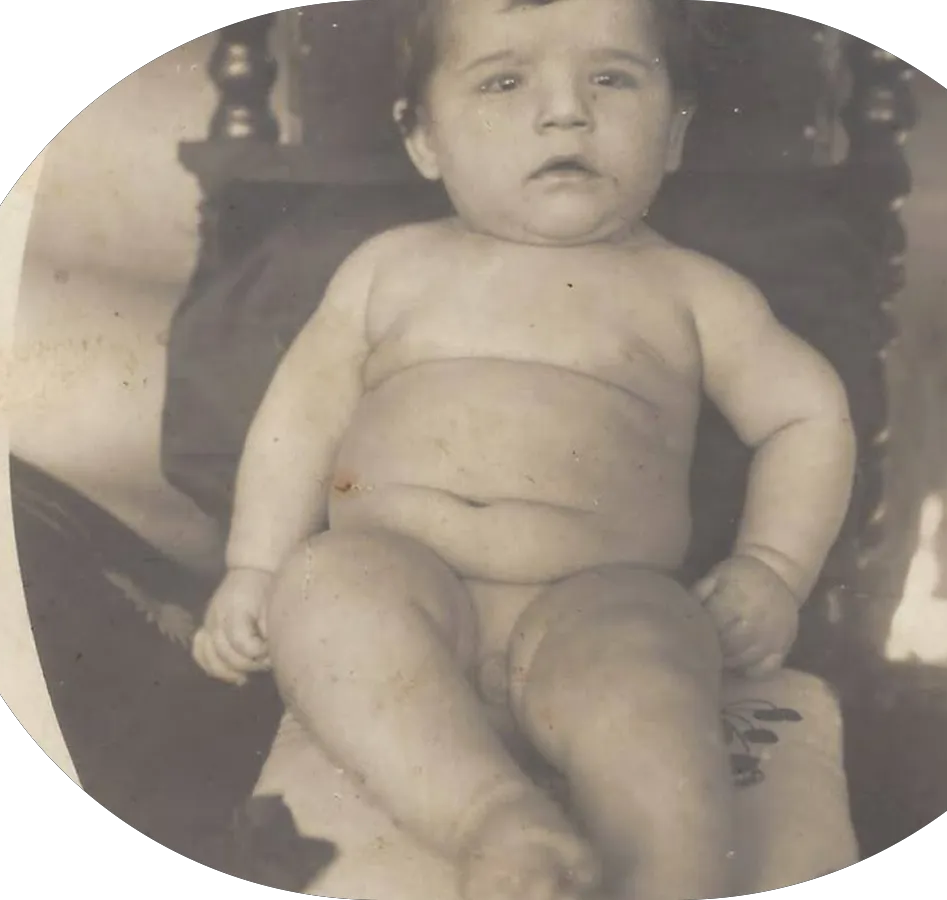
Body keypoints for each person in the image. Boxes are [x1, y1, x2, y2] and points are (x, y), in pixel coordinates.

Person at [192, 1, 856, 897]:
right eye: (505, 81)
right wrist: (254, 565)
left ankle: (668, 877)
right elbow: (297, 420)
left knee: (654, 694)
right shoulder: (389, 270)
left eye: (611, 78)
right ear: (423, 138)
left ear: (674, 133)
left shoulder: (693, 292)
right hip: (404, 588)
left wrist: (772, 566)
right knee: (323, 586)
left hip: (596, 604)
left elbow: (807, 416)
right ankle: (495, 820)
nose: (566, 112)